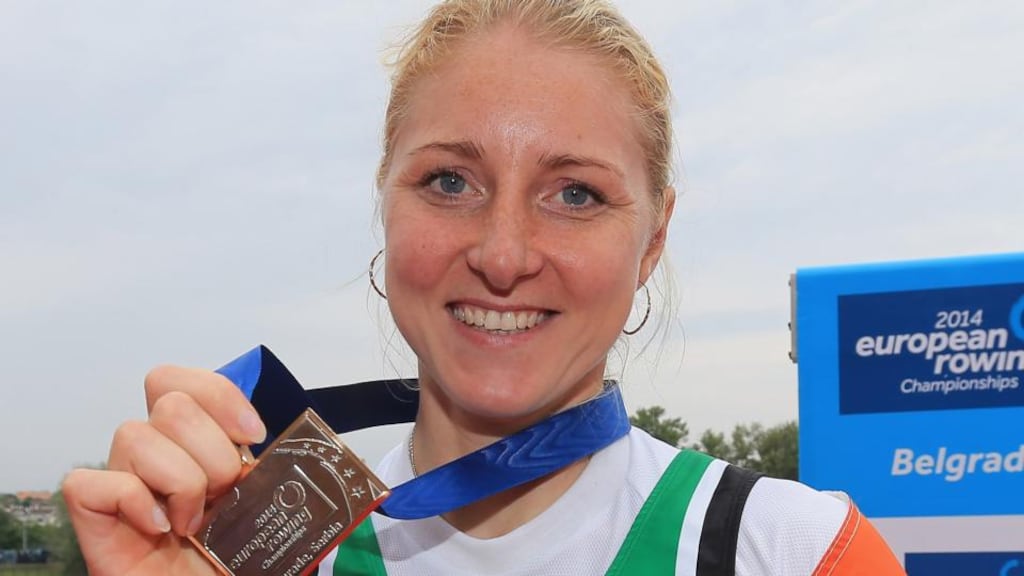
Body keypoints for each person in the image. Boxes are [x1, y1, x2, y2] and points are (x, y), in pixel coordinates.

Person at [61, 1, 905, 574]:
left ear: (653, 240)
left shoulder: (793, 552)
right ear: (385, 204)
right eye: (450, 183)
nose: (504, 256)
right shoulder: (267, 554)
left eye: (575, 193)